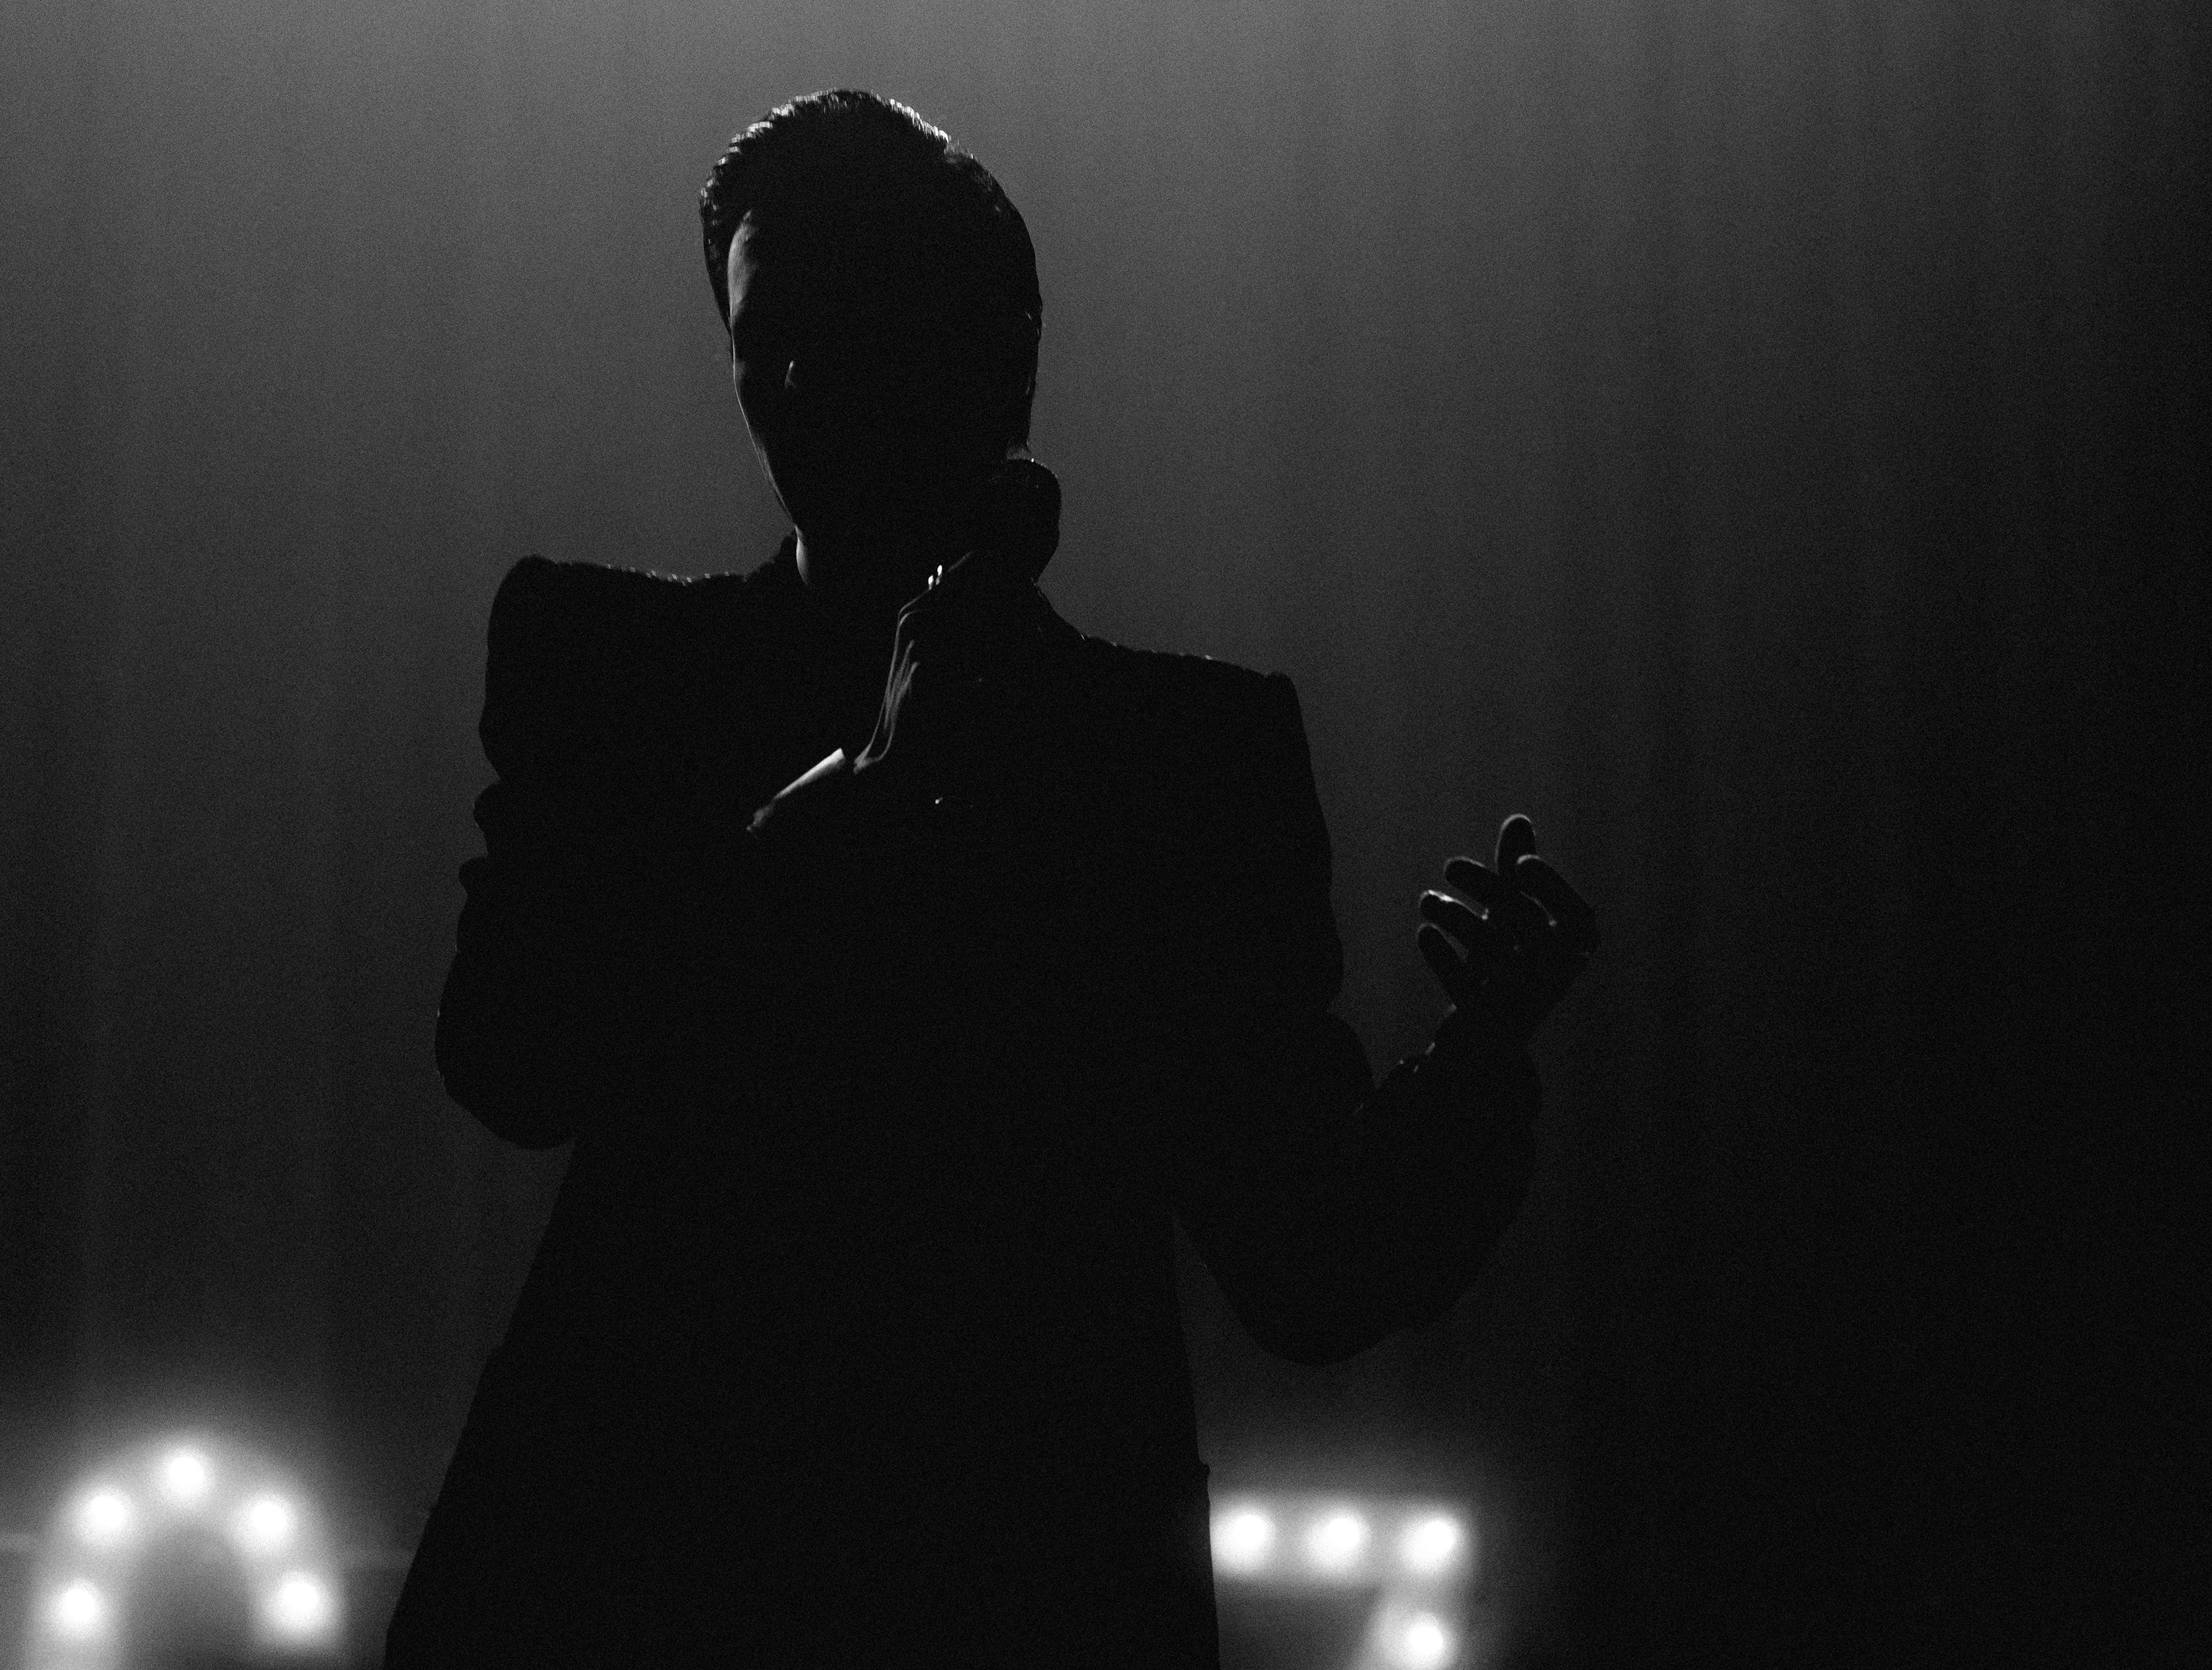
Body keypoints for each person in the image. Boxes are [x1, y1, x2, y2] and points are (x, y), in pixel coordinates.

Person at [382, 87, 1596, 1670]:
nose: (793, 380)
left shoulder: (1180, 760)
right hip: (638, 1566)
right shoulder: (613, 668)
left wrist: (1479, 1061)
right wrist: (846, 809)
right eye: (762, 337)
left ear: (996, 361)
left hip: (1020, 1580)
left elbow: (1305, 1268)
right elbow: (514, 1055)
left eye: (845, 328)